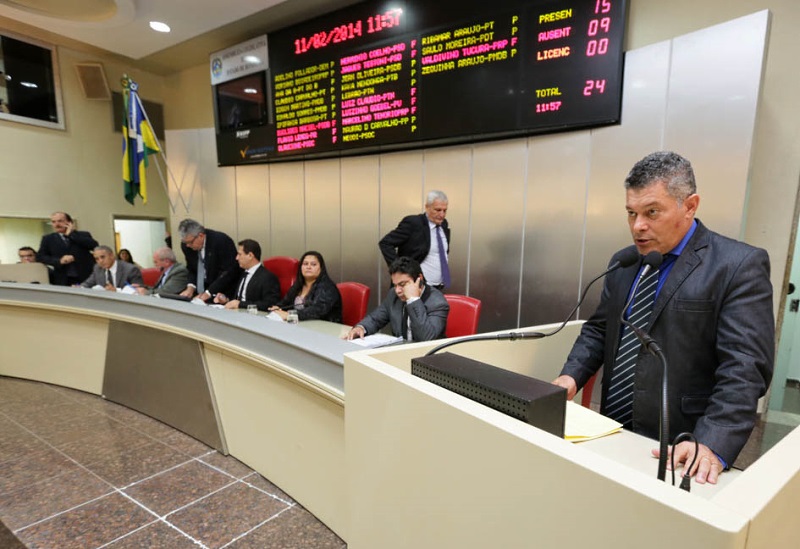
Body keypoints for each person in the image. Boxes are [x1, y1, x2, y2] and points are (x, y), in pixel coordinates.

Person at [553, 151, 774, 485]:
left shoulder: (737, 266)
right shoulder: (625, 262)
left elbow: (744, 367)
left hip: (682, 441)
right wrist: (570, 377)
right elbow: (600, 330)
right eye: (631, 213)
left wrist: (712, 441)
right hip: (612, 429)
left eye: (652, 212)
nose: (638, 226)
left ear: (690, 205)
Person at [345, 256, 449, 342]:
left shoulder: (437, 302)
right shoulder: (393, 295)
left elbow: (426, 338)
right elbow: (375, 319)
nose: (398, 291)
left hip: (425, 360)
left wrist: (413, 300)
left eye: (402, 284)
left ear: (419, 279)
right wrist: (361, 327)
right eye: (395, 285)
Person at [379, 190, 451, 290]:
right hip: (415, 286)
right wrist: (400, 270)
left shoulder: (443, 224)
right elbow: (385, 243)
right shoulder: (413, 223)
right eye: (438, 210)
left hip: (437, 288)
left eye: (444, 210)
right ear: (427, 207)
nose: (442, 214)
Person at [269, 251, 343, 323]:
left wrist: (290, 315)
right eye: (305, 264)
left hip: (326, 328)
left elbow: (317, 310)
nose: (308, 267)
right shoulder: (298, 285)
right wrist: (279, 308)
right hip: (301, 325)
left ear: (321, 268)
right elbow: (286, 302)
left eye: (313, 264)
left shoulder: (327, 287)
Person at [177, 219, 239, 302]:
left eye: (190, 242)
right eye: (185, 242)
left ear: (201, 236)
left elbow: (229, 272)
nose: (188, 245)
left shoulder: (221, 241)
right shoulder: (186, 246)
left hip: (222, 293)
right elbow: (191, 268)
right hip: (199, 295)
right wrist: (190, 287)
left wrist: (209, 293)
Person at [214, 239, 280, 311]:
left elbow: (269, 304)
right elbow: (238, 299)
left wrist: (240, 304)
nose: (236, 258)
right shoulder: (243, 273)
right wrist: (226, 300)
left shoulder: (267, 277)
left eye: (239, 254)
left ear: (250, 255)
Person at [37, 211, 98, 286]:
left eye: (60, 221)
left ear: (69, 223)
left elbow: (94, 246)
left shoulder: (83, 235)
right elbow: (40, 257)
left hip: (85, 276)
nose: (57, 224)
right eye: (53, 222)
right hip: (63, 278)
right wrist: (59, 261)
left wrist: (71, 235)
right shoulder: (48, 239)